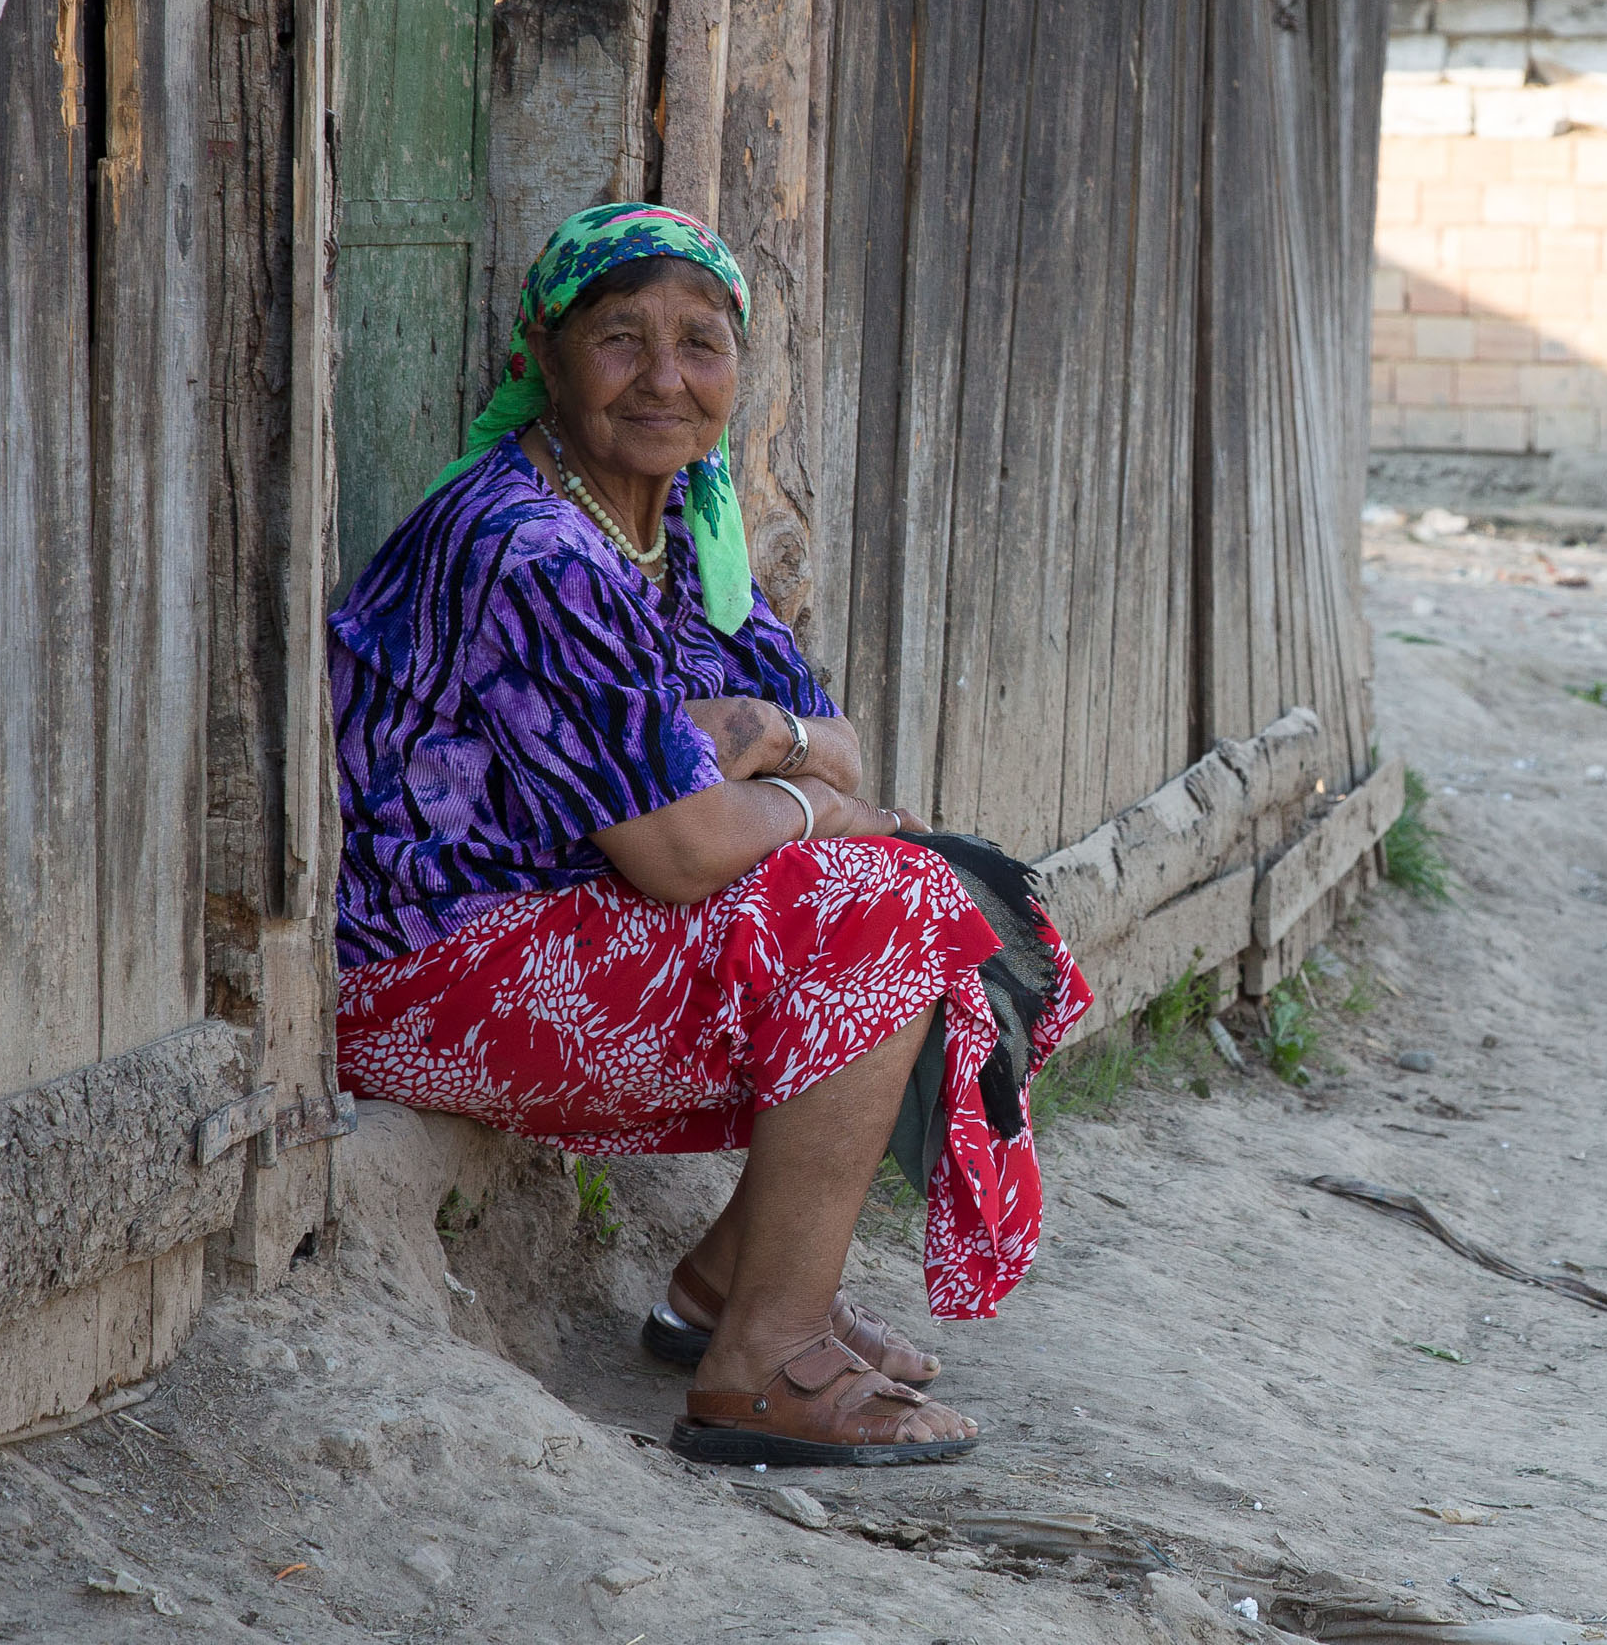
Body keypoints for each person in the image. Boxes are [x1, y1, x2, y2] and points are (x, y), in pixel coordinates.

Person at [328, 202, 1088, 1468]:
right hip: (425, 971)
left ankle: (728, 1289)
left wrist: (765, 745)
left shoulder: (688, 533)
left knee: (954, 891)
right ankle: (764, 1365)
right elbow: (679, 851)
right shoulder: (530, 544)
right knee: (881, 904)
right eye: (621, 339)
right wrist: (808, 802)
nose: (666, 377)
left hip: (565, 926)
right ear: (546, 354)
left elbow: (837, 741)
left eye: (701, 343)